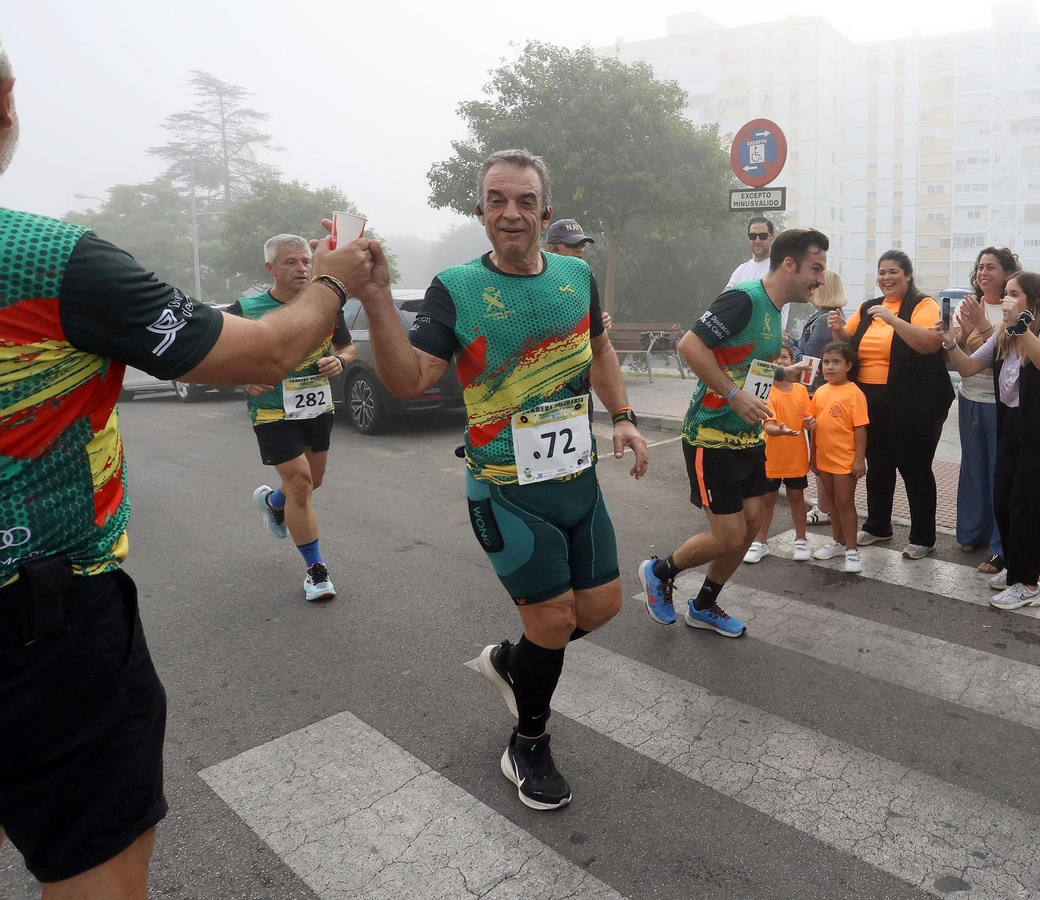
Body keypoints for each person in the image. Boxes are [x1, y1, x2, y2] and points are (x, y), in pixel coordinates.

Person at [0, 42, 378, 897]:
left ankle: (289, 518)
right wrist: (335, 282)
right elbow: (256, 359)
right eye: (288, 267)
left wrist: (332, 347)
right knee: (100, 867)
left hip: (47, 606)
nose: (291, 274)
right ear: (9, 101)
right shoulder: (50, 260)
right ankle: (310, 559)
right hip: (41, 617)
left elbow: (319, 347)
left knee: (310, 484)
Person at [359, 149, 649, 812]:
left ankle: (512, 663)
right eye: (497, 200)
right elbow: (409, 380)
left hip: (577, 481)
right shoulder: (454, 289)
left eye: (523, 201)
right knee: (552, 622)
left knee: (600, 608)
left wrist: (625, 417)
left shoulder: (576, 274)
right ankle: (528, 740)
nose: (510, 212)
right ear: (482, 211)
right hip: (506, 489)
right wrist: (376, 297)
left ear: (545, 213)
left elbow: (597, 347)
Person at [640, 228, 829, 637]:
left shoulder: (775, 309)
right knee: (728, 535)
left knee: (749, 528)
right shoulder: (744, 298)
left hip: (748, 437)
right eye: (815, 268)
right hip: (711, 435)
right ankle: (658, 571)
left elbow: (744, 362)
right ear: (790, 264)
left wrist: (782, 371)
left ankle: (704, 605)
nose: (819, 279)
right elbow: (690, 346)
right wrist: (731, 396)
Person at [230, 234, 355, 602]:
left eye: (305, 261)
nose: (301, 268)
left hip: (317, 407)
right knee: (300, 484)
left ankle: (272, 503)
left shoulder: (326, 306)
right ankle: (316, 572)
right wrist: (241, 376)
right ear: (270, 268)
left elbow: (346, 346)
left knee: (312, 482)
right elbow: (215, 352)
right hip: (271, 411)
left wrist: (341, 360)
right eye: (290, 262)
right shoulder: (246, 308)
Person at [943, 272, 1040, 609]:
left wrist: (1022, 328)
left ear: (1034, 302)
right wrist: (949, 342)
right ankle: (1015, 568)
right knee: (1002, 500)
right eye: (1004, 294)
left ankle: (1028, 583)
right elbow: (970, 367)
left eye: (1013, 294)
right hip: (1013, 426)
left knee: (1030, 508)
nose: (1004, 299)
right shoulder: (1006, 334)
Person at [828, 250, 953, 559]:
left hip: (913, 401)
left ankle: (923, 537)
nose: (886, 277)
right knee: (879, 465)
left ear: (907, 275)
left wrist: (894, 319)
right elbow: (849, 341)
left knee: (915, 467)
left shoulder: (923, 305)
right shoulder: (870, 307)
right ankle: (878, 526)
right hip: (870, 399)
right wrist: (838, 328)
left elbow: (930, 343)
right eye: (882, 272)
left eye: (893, 271)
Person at [953, 247, 1020, 577]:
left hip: (1001, 403)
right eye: (980, 267)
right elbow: (959, 355)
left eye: (991, 267)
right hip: (970, 398)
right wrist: (961, 334)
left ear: (1007, 273)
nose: (984, 273)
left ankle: (999, 546)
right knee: (972, 468)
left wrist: (981, 325)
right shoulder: (968, 305)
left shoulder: (1014, 308)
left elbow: (1009, 353)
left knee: (999, 473)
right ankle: (971, 533)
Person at [805, 341, 870, 574]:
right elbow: (813, 427)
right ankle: (838, 542)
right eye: (826, 362)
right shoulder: (820, 392)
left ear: (848, 365)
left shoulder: (855, 393)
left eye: (836, 362)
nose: (830, 367)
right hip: (824, 459)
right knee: (832, 503)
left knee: (844, 503)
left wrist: (859, 459)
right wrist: (813, 458)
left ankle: (852, 550)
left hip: (845, 460)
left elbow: (860, 429)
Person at [745, 340, 813, 563]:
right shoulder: (765, 391)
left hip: (796, 457)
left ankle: (801, 539)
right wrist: (779, 430)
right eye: (774, 360)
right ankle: (760, 541)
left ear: (793, 363)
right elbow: (768, 426)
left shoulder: (802, 391)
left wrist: (810, 423)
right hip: (770, 458)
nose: (779, 362)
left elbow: (807, 419)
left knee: (796, 497)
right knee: (767, 500)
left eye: (784, 357)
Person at [796, 268, 848, 527]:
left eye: (816, 283)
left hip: (816, 393)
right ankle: (826, 506)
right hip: (823, 392)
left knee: (819, 452)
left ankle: (825, 508)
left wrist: (789, 346)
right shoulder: (832, 317)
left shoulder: (823, 321)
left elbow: (809, 362)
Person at [728, 216, 793, 333]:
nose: (757, 240)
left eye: (762, 236)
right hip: (741, 340)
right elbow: (725, 301)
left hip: (769, 340)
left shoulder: (781, 268)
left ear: (772, 237)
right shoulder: (741, 270)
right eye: (753, 236)